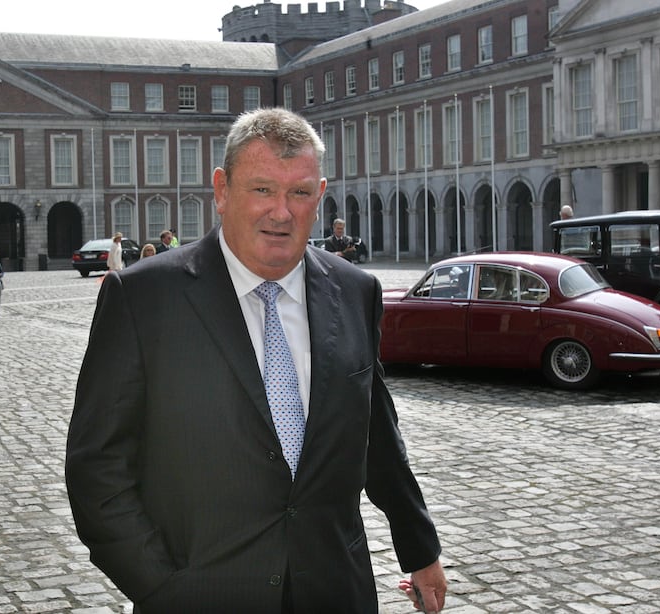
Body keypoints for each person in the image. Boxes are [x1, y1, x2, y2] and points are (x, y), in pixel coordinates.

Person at [66, 108, 446, 614]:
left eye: (300, 192)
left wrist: (419, 548)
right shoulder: (142, 297)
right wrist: (161, 588)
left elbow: (375, 432)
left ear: (320, 194)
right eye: (262, 190)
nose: (281, 212)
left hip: (335, 592)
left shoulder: (356, 291)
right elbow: (97, 469)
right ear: (222, 190)